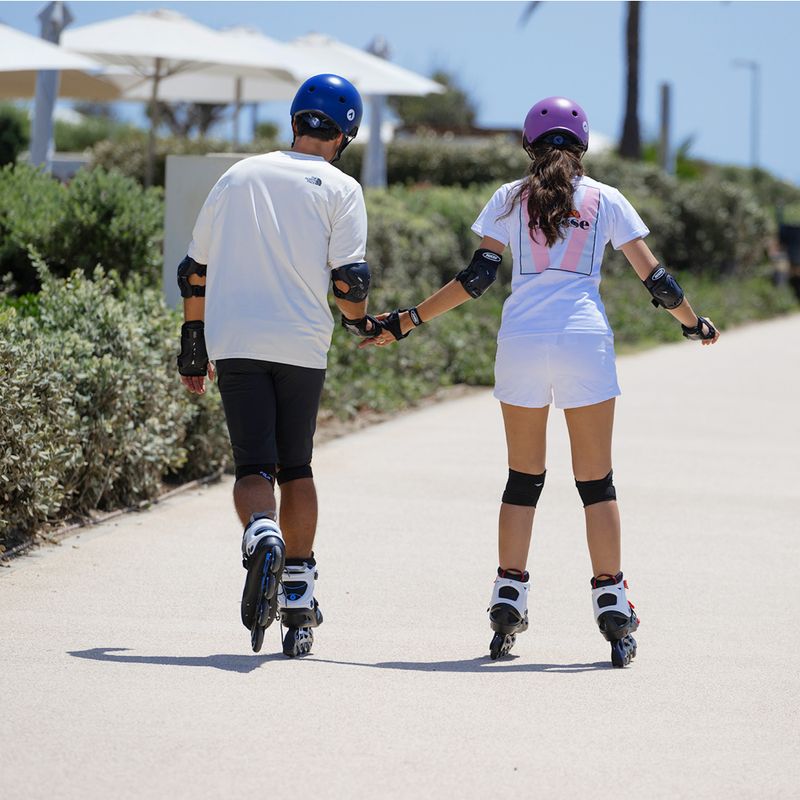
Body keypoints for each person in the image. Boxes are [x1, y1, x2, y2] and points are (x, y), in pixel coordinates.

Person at [361, 96, 720, 667]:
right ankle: (611, 603)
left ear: (529, 144)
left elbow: (477, 277)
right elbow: (658, 279)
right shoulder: (605, 199)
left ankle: (508, 596)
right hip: (584, 342)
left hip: (522, 344)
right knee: (595, 483)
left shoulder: (509, 198)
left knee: (523, 479)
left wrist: (406, 321)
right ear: (580, 147)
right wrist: (693, 324)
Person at [177, 74, 380, 657]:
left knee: (252, 466)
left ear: (295, 120)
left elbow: (194, 269)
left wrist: (194, 343)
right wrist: (359, 320)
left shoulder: (238, 174)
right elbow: (350, 282)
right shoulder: (341, 188)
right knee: (296, 466)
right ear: (345, 134)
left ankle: (260, 531)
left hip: (235, 340)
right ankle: (298, 590)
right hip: (301, 344)